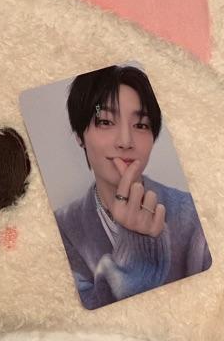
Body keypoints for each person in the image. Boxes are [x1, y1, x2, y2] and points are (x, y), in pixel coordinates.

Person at [55, 65, 211, 310]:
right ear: (79, 136)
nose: (126, 141)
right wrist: (138, 251)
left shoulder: (193, 214)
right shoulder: (62, 227)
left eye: (141, 125)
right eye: (105, 121)